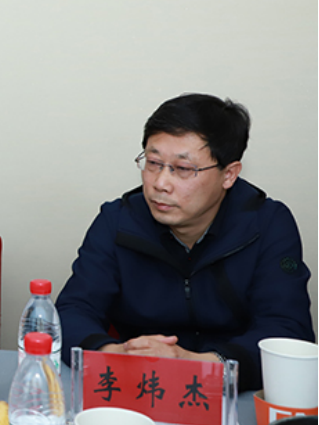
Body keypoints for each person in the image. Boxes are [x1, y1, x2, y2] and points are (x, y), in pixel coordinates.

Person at [56, 93, 314, 392]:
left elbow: (287, 331)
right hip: (137, 386)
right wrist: (114, 354)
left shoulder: (268, 224)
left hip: (233, 392)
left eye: (183, 169)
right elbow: (72, 311)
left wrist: (199, 365)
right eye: (153, 163)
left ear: (229, 174)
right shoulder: (118, 221)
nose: (160, 183)